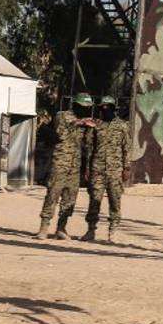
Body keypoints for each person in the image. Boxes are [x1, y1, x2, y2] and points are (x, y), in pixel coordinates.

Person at [37, 93, 96, 240]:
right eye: (83, 107)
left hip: (74, 165)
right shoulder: (63, 116)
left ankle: (61, 228)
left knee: (70, 199)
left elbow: (88, 144)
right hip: (60, 163)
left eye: (88, 108)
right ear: (75, 105)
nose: (85, 110)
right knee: (52, 195)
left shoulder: (84, 124)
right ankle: (44, 227)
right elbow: (63, 130)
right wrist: (82, 122)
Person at [81, 96, 130, 243]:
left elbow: (126, 147)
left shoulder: (122, 126)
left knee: (115, 200)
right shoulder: (96, 125)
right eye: (102, 108)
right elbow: (89, 148)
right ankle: (91, 230)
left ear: (114, 109)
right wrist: (88, 168)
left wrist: (126, 167)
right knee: (94, 200)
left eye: (108, 108)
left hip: (115, 170)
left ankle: (112, 231)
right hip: (97, 169)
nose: (105, 110)